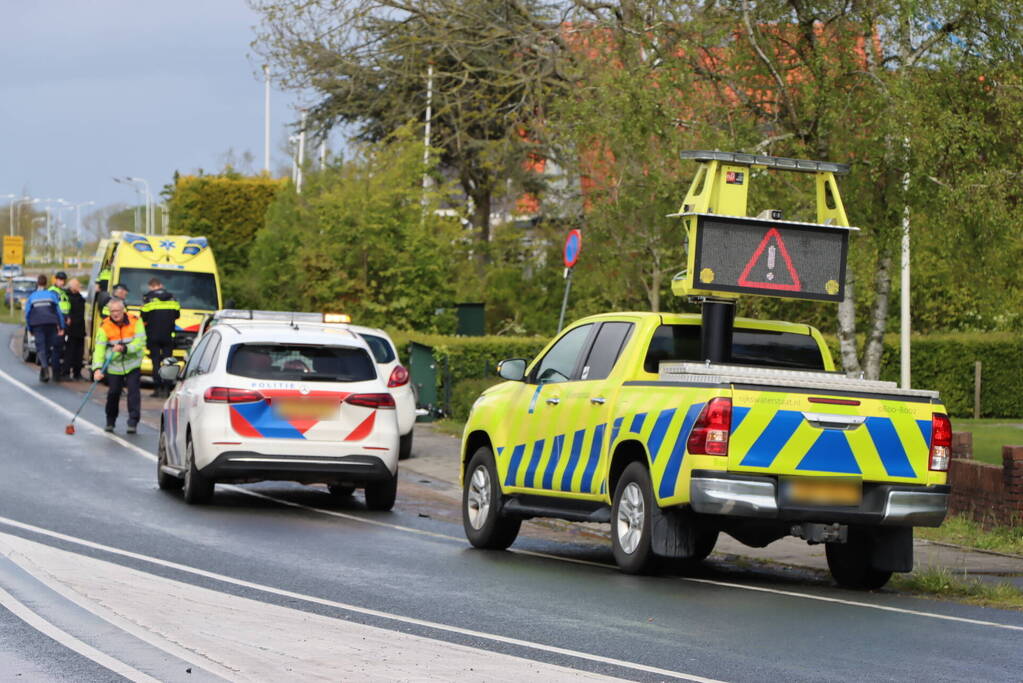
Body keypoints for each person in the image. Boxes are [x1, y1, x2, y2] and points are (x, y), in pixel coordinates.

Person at [92, 298, 146, 434]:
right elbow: (99, 349)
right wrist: (97, 369)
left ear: (123, 310)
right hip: (114, 366)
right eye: (112, 311)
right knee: (113, 393)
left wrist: (125, 348)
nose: (115, 314)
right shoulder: (104, 326)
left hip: (132, 363)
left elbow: (140, 342)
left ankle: (133, 421)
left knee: (133, 393)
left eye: (117, 310)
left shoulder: (135, 321)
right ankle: (110, 421)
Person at [140, 277, 180, 397]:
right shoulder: (172, 297)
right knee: (168, 362)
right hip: (168, 335)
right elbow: (177, 315)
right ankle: (167, 388)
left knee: (156, 362)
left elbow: (143, 316)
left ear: (151, 286)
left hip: (153, 335)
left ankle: (157, 389)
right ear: (161, 285)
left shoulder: (148, 298)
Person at [24, 275, 65, 382]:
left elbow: (27, 313)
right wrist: (61, 326)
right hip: (51, 323)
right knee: (47, 347)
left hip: (37, 324)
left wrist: (30, 328)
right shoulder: (51, 295)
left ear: (37, 283)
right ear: (46, 283)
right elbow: (58, 312)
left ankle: (45, 369)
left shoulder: (32, 296)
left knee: (41, 347)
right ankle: (44, 371)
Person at [47, 271, 71, 378]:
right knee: (56, 349)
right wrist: (58, 324)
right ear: (55, 280)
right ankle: (55, 374)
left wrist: (68, 317)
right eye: (60, 280)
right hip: (57, 322)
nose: (62, 282)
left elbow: (66, 306)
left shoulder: (63, 292)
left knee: (60, 348)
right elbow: (53, 309)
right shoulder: (52, 292)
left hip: (64, 321)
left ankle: (57, 372)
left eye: (63, 280)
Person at [62, 278, 87, 380]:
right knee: (69, 352)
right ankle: (66, 372)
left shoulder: (80, 297)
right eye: (77, 285)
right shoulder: (67, 297)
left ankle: (77, 373)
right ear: (72, 287)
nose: (79, 287)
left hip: (80, 329)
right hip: (71, 329)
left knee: (79, 353)